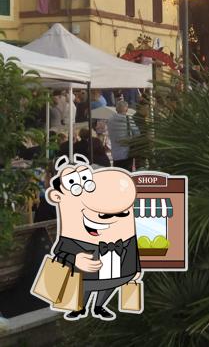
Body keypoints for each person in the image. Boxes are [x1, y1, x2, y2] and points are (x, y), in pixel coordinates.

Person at [41, 155, 141, 321]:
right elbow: (62, 249)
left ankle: (99, 306)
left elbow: (129, 246)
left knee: (108, 283)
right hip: (86, 273)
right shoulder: (72, 228)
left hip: (111, 269)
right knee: (85, 284)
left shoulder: (118, 230)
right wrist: (75, 259)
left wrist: (134, 269)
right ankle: (81, 308)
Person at [106, 101, 139, 171]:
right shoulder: (128, 119)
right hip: (126, 154)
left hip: (115, 154)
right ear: (126, 110)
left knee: (118, 174)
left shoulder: (110, 120)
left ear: (116, 109)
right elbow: (137, 133)